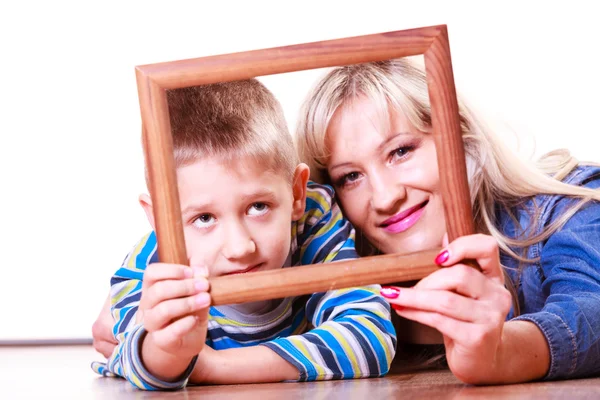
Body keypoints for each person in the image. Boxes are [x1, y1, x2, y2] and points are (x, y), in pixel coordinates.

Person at [295, 58, 600, 384]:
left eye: (401, 152)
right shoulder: (342, 304)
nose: (385, 198)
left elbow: (591, 309)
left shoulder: (569, 204)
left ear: (462, 137)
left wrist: (502, 352)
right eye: (351, 176)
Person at [91, 79, 396, 390]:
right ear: (160, 220)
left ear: (296, 192)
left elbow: (369, 338)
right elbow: (139, 365)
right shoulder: (150, 269)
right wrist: (167, 354)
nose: (239, 247)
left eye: (258, 207)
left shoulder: (312, 217)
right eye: (205, 218)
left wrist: (212, 367)